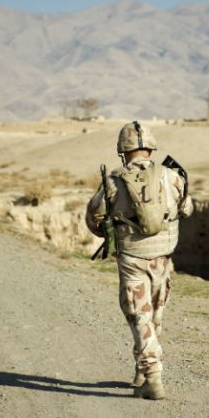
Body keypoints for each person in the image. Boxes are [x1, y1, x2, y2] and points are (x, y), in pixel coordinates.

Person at [85, 121, 193, 400]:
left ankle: (152, 377)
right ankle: (142, 369)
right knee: (154, 313)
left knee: (138, 313)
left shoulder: (113, 182)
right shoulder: (172, 176)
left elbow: (94, 218)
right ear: (151, 148)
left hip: (132, 257)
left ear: (123, 150)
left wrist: (111, 229)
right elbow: (187, 209)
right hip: (163, 255)